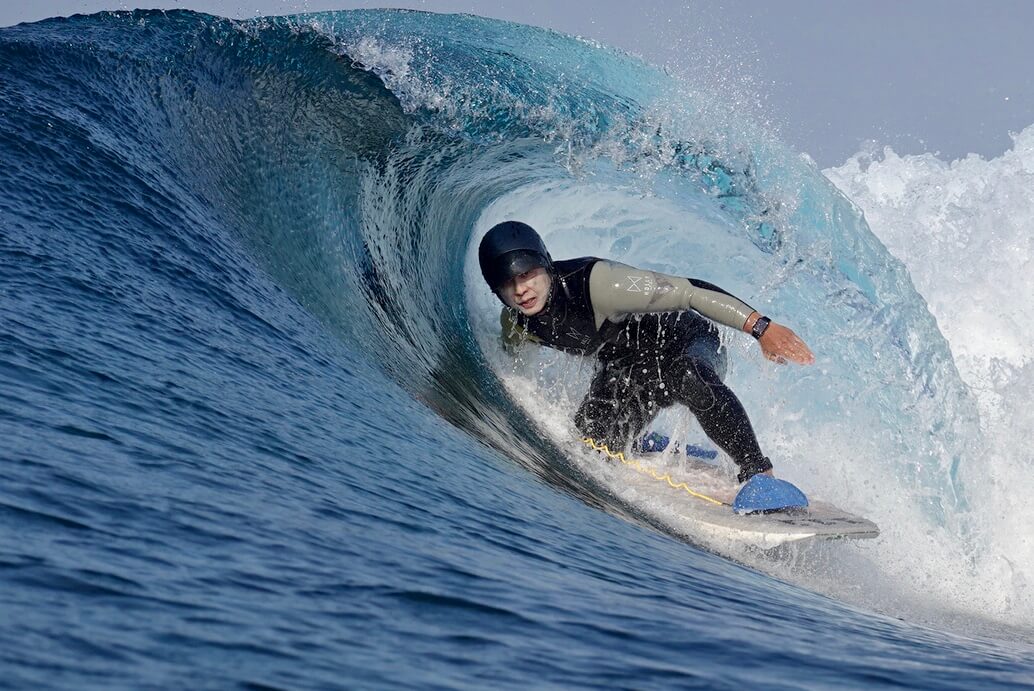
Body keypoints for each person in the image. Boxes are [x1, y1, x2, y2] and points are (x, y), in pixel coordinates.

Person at [478, 220, 815, 483]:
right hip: (630, 370)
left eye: (527, 274)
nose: (520, 290)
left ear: (545, 264)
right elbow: (511, 368)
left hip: (689, 343)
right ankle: (640, 440)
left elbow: (690, 292)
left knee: (687, 375)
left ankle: (759, 474)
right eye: (507, 283)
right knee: (590, 443)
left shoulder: (596, 283)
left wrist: (761, 328)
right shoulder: (519, 323)